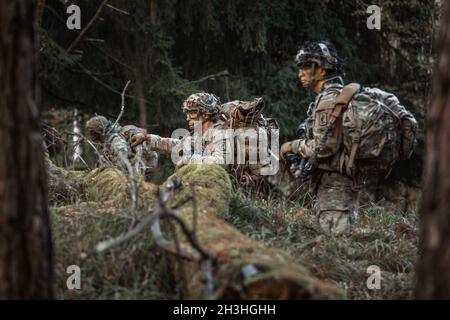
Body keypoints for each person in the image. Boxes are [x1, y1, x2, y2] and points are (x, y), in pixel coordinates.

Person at [280, 41, 358, 234]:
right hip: (337, 182)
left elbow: (323, 147)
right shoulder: (337, 96)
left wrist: (291, 146)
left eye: (306, 66)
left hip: (335, 184)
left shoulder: (330, 100)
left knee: (335, 240)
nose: (301, 72)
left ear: (322, 71)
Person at [130, 92, 277, 188]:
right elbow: (178, 145)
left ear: (206, 114)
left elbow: (220, 163)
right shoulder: (201, 133)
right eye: (187, 113)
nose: (188, 118)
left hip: (226, 189)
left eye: (192, 113)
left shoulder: (220, 134)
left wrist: (190, 159)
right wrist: (148, 138)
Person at [85, 115, 158, 177]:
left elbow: (122, 164)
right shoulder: (107, 142)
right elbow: (105, 160)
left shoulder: (116, 141)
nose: (91, 135)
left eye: (92, 132)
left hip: (140, 168)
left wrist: (103, 171)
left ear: (100, 131)